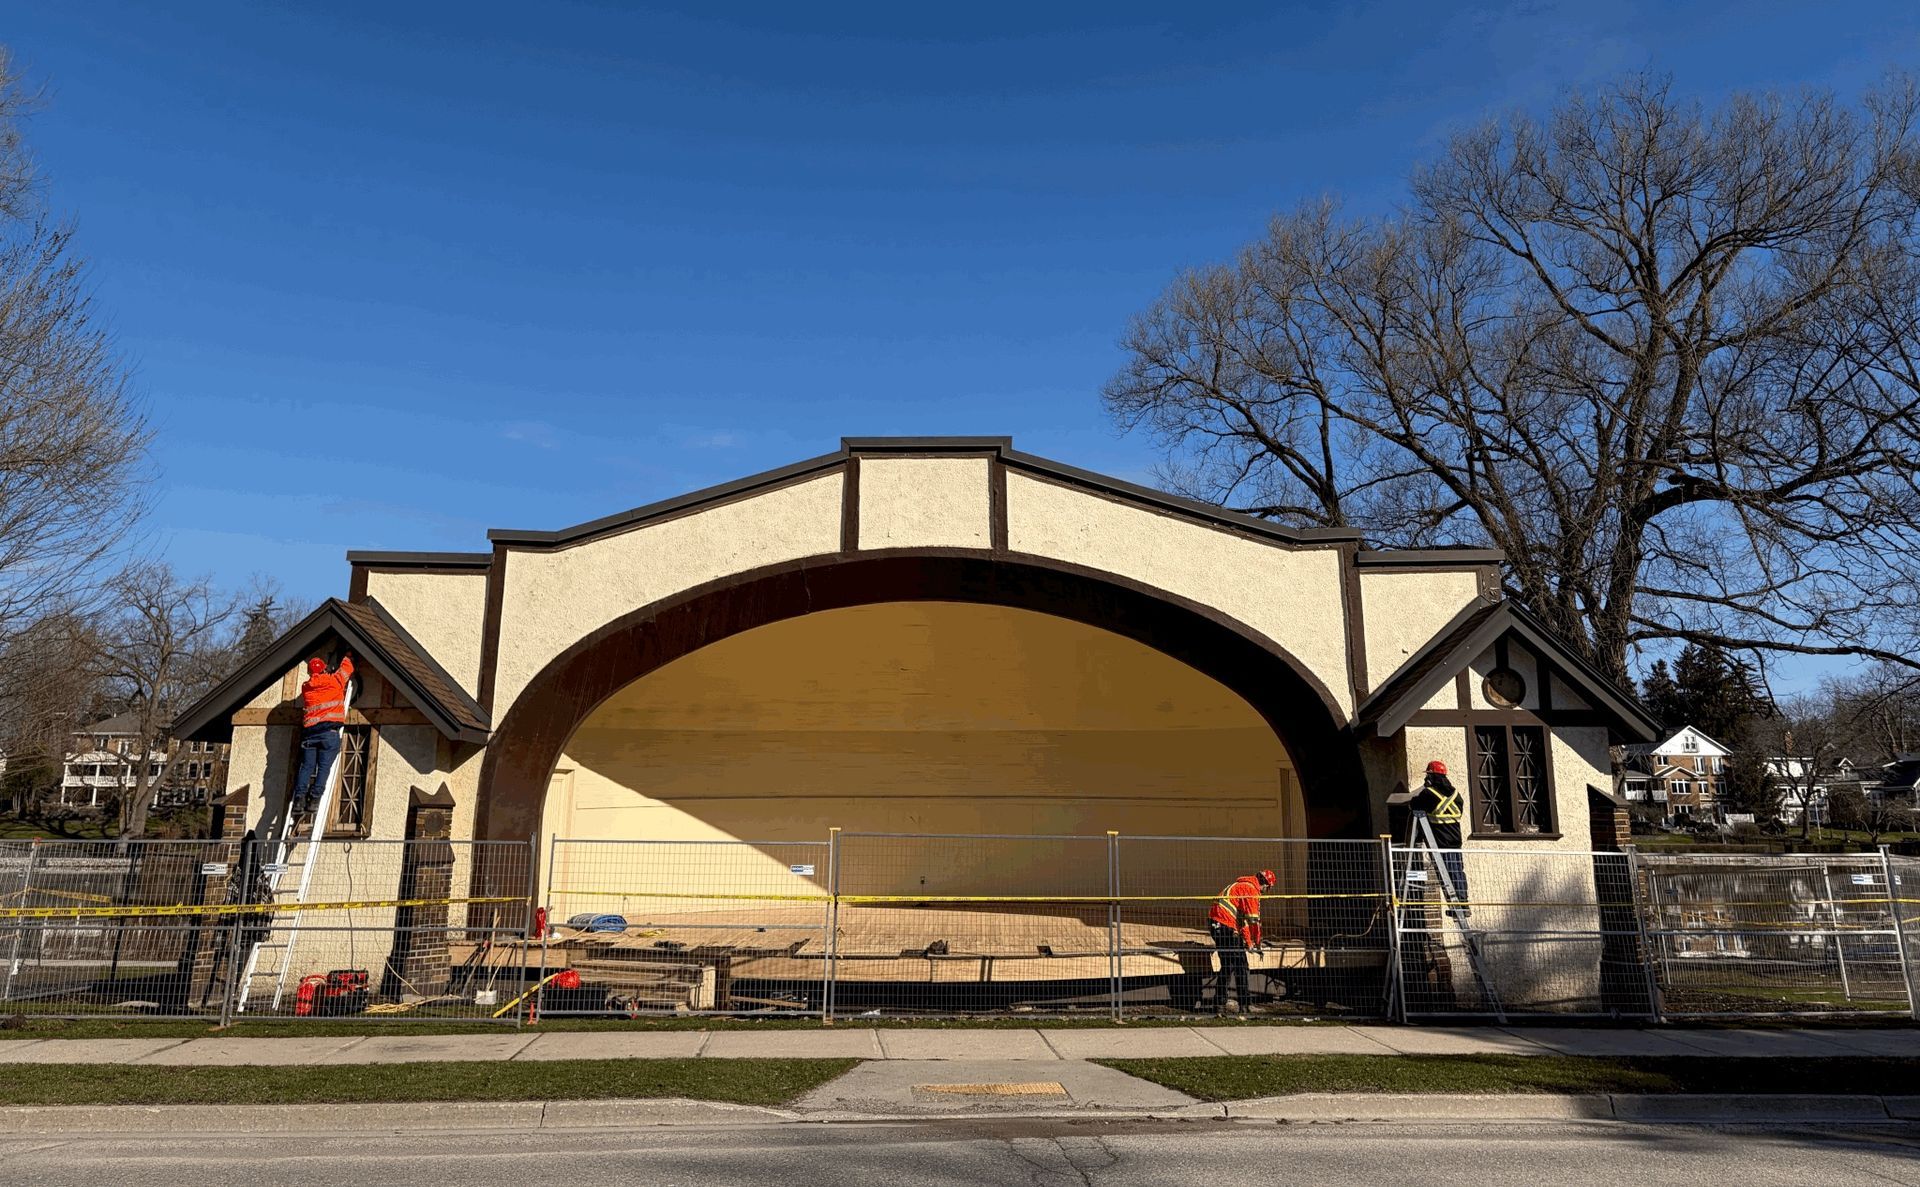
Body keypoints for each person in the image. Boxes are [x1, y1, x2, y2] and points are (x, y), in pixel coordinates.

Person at [291, 652, 354, 820]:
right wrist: (347, 655)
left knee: (306, 767)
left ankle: (299, 800)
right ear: (325, 669)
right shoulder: (335, 681)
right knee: (324, 768)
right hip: (328, 734)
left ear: (310, 672)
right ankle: (314, 800)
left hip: (310, 735)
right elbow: (347, 669)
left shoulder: (306, 687)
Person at [1206, 868, 1275, 1013]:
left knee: (1229, 965)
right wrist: (1257, 943)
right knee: (1240, 965)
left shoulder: (1242, 886)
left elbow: (1242, 921)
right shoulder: (1251, 890)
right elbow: (1253, 922)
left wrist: (1249, 943)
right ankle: (1244, 1005)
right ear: (1267, 886)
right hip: (1226, 926)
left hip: (1218, 924)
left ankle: (1220, 1004)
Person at [1409, 759, 1468, 910]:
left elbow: (1415, 804)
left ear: (1431, 776)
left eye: (1428, 775)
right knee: (1458, 871)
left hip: (1441, 842)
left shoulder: (1430, 794)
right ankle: (1463, 902)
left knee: (1448, 873)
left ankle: (1456, 904)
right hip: (1455, 840)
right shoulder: (1456, 795)